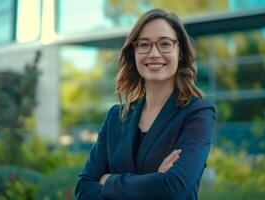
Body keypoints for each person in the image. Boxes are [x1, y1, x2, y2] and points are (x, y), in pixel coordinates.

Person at [74, 8, 216, 200]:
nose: (154, 53)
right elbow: (83, 189)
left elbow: (174, 187)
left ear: (180, 51)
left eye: (165, 44)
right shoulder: (116, 117)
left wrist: (108, 181)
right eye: (144, 44)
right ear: (134, 52)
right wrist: (154, 181)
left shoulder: (197, 113)